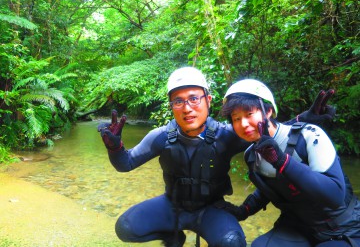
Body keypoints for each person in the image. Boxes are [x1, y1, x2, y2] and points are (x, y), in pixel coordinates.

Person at [97, 67, 334, 247]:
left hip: (211, 208)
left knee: (232, 242)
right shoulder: (159, 136)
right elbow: (125, 164)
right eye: (178, 101)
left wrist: (304, 119)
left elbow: (267, 130)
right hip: (173, 204)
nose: (187, 108)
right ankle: (173, 235)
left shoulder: (227, 135)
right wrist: (115, 148)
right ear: (171, 106)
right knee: (125, 228)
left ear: (208, 101)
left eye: (193, 98)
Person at [220, 79, 360, 247]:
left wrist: (282, 161)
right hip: (297, 226)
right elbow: (271, 189)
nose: (243, 123)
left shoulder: (310, 136)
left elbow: (335, 196)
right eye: (236, 119)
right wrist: (244, 210)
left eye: (249, 114)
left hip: (343, 228)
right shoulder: (252, 155)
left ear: (268, 111)